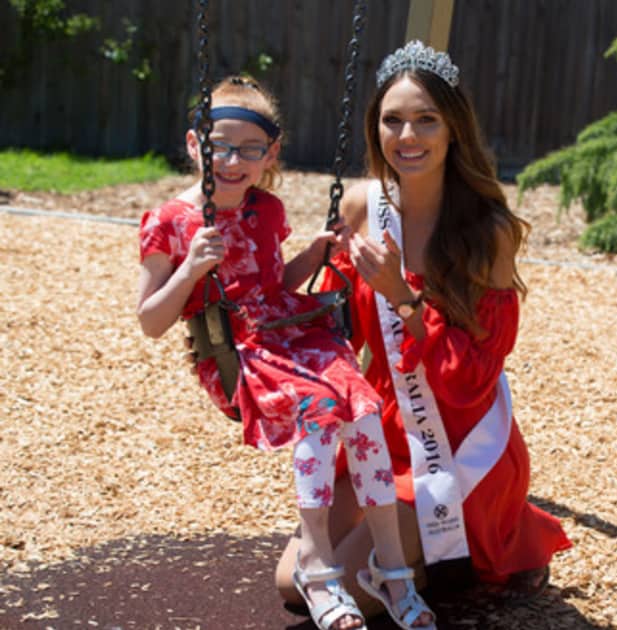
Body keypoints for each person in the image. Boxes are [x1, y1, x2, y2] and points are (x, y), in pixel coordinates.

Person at [274, 40, 572, 616]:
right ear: (376, 129)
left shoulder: (488, 234)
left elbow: (472, 380)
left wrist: (405, 300)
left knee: (357, 592)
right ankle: (419, 562)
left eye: (425, 120)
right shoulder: (363, 207)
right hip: (380, 430)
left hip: (456, 442)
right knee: (295, 583)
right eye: (393, 121)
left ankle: (463, 549)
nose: (407, 137)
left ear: (453, 129)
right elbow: (335, 338)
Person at [137, 75, 435, 630]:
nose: (232, 161)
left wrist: (312, 255)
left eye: (250, 149)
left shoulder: (267, 210)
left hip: (293, 334)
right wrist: (189, 268)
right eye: (219, 145)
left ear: (270, 154)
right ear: (193, 144)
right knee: (321, 414)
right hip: (237, 351)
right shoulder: (171, 222)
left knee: (364, 410)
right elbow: (150, 320)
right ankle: (317, 566)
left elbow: (274, 288)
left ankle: (391, 571)